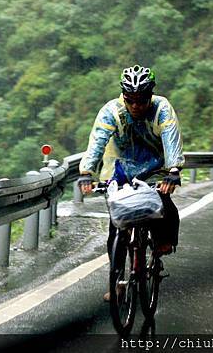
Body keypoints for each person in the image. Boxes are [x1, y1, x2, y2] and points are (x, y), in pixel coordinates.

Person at [77, 65, 184, 300]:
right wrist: (86, 172)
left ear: (150, 95)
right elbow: (97, 141)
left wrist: (173, 170)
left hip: (155, 167)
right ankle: (116, 283)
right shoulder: (111, 111)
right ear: (124, 96)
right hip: (120, 168)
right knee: (117, 228)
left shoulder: (161, 108)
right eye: (130, 100)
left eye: (142, 100)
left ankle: (162, 241)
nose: (136, 106)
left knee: (162, 202)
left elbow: (171, 137)